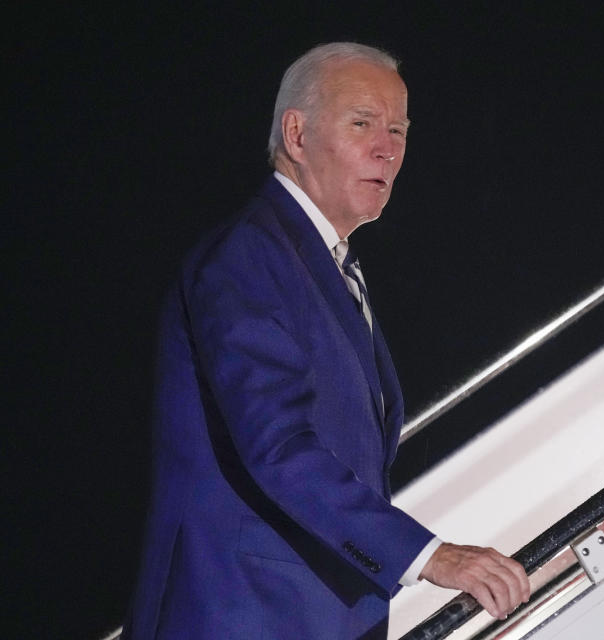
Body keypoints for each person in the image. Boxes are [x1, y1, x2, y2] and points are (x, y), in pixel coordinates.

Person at [123, 42, 529, 639]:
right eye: (362, 123)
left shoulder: (329, 266)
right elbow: (279, 447)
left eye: (398, 129)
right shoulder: (248, 257)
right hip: (243, 617)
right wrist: (431, 556)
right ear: (297, 134)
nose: (387, 148)